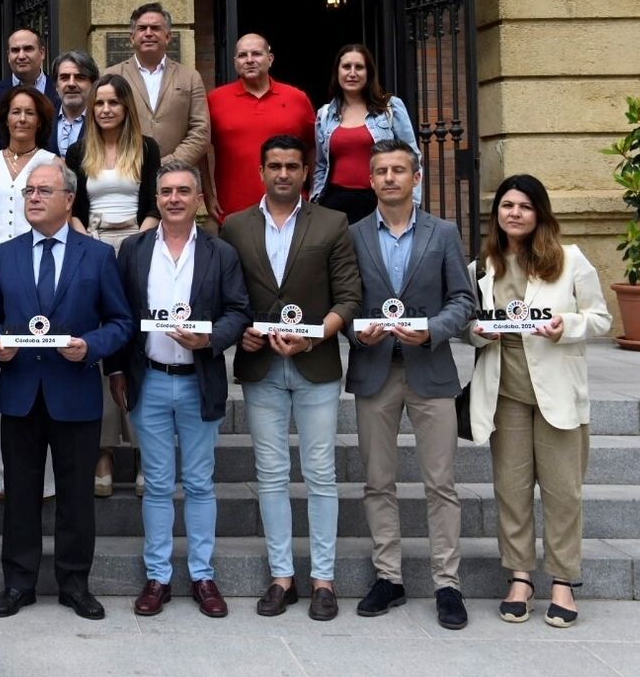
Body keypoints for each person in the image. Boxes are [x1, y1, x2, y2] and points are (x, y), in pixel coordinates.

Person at [220, 134, 361, 622]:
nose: (283, 173)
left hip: (314, 365)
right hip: (261, 368)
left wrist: (317, 337)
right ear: (261, 171)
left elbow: (349, 297)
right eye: (274, 165)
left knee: (321, 474)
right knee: (271, 474)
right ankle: (282, 577)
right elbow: (225, 298)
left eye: (292, 166)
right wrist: (241, 332)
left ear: (306, 172)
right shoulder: (234, 226)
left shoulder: (333, 222)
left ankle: (323, 579)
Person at [0, 162, 134, 621]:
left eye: (43, 190)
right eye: (29, 190)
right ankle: (18, 583)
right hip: (21, 391)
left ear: (69, 199)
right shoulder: (6, 255)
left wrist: (92, 347)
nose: (32, 197)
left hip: (75, 393)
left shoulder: (96, 256)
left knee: (74, 498)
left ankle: (74, 584)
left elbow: (121, 323)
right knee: (21, 495)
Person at [467, 174, 612, 629]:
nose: (514, 213)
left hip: (557, 395)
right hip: (505, 393)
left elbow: (601, 318)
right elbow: (472, 325)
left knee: (562, 493)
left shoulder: (569, 260)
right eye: (507, 205)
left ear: (540, 214)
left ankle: (564, 582)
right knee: (511, 492)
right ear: (497, 215)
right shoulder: (482, 266)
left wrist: (564, 324)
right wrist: (478, 332)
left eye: (524, 206)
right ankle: (520, 578)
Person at [108, 159, 251, 618]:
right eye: (166, 191)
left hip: (197, 381)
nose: (173, 199)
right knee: (156, 485)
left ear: (198, 200)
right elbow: (118, 314)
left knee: (200, 483)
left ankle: (203, 575)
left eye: (183, 191)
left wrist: (208, 338)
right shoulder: (132, 249)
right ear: (156, 198)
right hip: (148, 380)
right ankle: (158, 577)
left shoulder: (220, 253)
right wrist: (115, 371)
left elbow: (238, 312)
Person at [346, 140, 476, 629]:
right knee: (378, 480)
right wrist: (361, 329)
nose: (390, 178)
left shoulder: (443, 233)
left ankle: (448, 584)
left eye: (399, 170)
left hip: (430, 368)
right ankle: (389, 577)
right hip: (375, 369)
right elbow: (346, 299)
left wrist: (434, 329)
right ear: (371, 179)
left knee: (440, 483)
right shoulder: (354, 234)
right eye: (381, 171)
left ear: (416, 178)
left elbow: (463, 301)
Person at [63, 72, 160, 496]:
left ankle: (142, 449)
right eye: (98, 103)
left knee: (137, 342)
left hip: (138, 243)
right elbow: (73, 206)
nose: (104, 109)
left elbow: (155, 204)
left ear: (126, 107)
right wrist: (84, 238)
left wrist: (141, 240)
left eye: (113, 103)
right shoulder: (77, 150)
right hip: (93, 243)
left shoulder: (147, 148)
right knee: (100, 342)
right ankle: (103, 450)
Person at [0, 85, 59, 499]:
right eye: (14, 112)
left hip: (42, 276)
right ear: (4, 118)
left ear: (40, 120)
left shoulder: (52, 164)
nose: (21, 119)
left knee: (43, 374)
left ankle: (45, 480)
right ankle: (0, 477)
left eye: (29, 113)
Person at [207, 34, 316, 222]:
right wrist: (208, 195)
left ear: (270, 59)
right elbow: (199, 149)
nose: (249, 60)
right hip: (234, 212)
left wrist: (314, 191)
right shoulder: (215, 100)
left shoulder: (297, 99)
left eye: (256, 54)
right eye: (242, 55)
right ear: (235, 62)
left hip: (291, 210)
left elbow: (313, 148)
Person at [312, 44, 423, 223]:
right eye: (346, 67)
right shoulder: (325, 114)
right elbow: (321, 165)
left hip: (378, 200)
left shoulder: (390, 108)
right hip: (334, 202)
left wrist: (413, 202)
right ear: (337, 72)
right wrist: (316, 202)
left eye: (360, 67)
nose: (352, 73)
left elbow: (412, 156)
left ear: (369, 73)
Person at [108, 3, 211, 167]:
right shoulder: (111, 76)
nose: (148, 33)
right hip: (126, 171)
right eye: (142, 28)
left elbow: (200, 131)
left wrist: (171, 163)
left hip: (177, 175)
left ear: (168, 36)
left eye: (155, 28)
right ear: (132, 37)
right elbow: (103, 125)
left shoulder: (190, 77)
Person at [0, 27, 60, 151]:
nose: (21, 56)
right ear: (8, 56)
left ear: (42, 53)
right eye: (15, 50)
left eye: (28, 49)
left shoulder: (60, 91)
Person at [51, 50, 99, 155]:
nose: (71, 84)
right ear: (56, 85)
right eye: (64, 78)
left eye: (80, 77)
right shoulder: (44, 118)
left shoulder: (102, 119)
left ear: (93, 83)